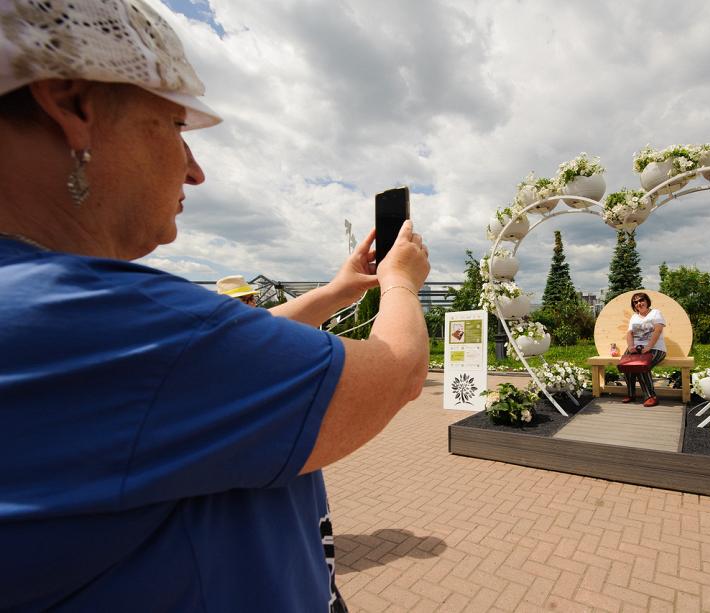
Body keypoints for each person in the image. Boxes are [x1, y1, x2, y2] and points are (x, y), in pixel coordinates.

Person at [0, 1, 430, 610]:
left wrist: (335, 292)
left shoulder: (52, 316)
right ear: (72, 104)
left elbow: (227, 349)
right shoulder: (107, 321)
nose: (195, 170)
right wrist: (402, 281)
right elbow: (396, 371)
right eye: (176, 126)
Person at [622, 292, 667, 407]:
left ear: (647, 301)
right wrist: (630, 347)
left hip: (656, 348)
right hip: (637, 348)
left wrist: (649, 347)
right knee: (626, 364)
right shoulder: (634, 317)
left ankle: (651, 396)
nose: (639, 303)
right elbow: (629, 333)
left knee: (641, 366)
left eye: (641, 300)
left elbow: (658, 330)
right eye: (635, 302)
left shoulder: (656, 313)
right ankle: (631, 394)